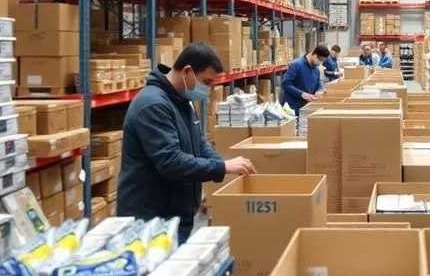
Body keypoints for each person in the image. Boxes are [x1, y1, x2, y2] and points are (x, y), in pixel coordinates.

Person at [118, 43, 256, 242]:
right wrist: (222, 167)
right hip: (150, 224)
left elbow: (199, 144)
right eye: (206, 82)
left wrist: (225, 165)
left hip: (174, 218)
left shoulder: (182, 101)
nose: (208, 90)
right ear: (187, 72)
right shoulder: (153, 105)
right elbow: (171, 162)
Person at [281, 44, 329, 114]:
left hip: (306, 108)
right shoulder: (296, 65)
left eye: (322, 61)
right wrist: (302, 94)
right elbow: (286, 84)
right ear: (314, 55)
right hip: (292, 108)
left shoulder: (316, 69)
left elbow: (317, 83)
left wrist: (320, 90)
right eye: (320, 60)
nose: (320, 63)